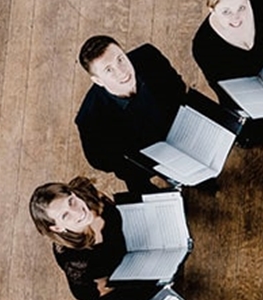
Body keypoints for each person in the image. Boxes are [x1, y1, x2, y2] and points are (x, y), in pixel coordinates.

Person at [29, 177, 161, 300]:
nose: (78, 211)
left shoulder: (90, 196)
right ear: (58, 228)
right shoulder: (73, 260)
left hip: (132, 246)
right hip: (114, 282)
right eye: (65, 216)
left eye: (71, 201)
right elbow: (92, 291)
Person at [74, 35, 186, 193]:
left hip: (175, 127)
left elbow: (177, 87)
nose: (122, 71)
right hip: (139, 160)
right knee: (141, 187)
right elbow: (100, 161)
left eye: (120, 59)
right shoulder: (90, 118)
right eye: (108, 70)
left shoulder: (148, 56)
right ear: (98, 81)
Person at [191, 0, 263, 145]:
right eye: (226, 12)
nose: (236, 18)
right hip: (245, 98)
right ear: (211, 10)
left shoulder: (261, 3)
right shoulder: (203, 46)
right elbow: (223, 89)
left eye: (241, 8)